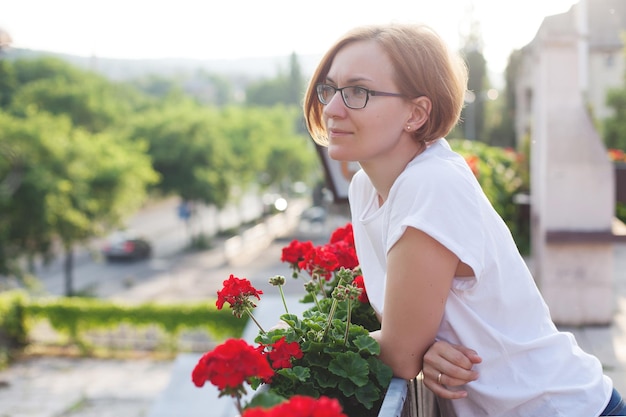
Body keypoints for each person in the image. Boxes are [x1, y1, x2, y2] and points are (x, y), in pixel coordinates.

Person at [302, 23, 626, 416]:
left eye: (358, 92)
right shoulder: (366, 189)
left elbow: (401, 353)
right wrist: (421, 350)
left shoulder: (431, 182)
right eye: (329, 88)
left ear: (417, 112)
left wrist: (305, 348)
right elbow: (404, 338)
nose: (332, 108)